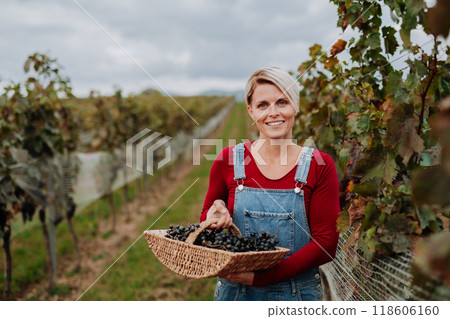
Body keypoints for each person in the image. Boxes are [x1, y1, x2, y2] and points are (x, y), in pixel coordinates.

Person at [200, 67, 340, 301]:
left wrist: (263, 278)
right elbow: (207, 216)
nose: (273, 113)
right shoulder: (227, 161)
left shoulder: (320, 165)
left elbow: (326, 243)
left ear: (296, 106)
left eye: (282, 102)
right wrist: (214, 217)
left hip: (298, 295)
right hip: (235, 293)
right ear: (250, 111)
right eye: (263, 105)